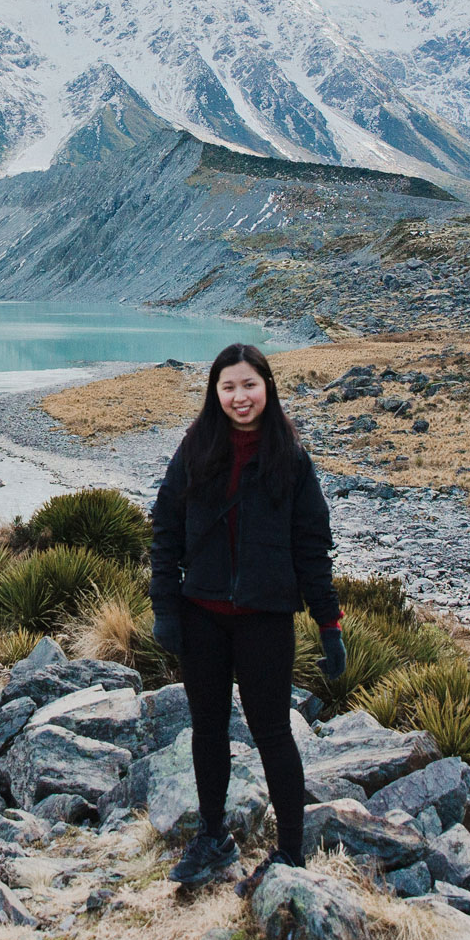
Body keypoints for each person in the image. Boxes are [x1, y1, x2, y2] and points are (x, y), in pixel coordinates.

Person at [148, 342, 345, 886]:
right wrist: (166, 609)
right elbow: (164, 532)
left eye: (249, 385)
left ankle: (290, 854)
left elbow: (312, 547)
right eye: (229, 387)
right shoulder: (195, 448)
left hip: (265, 618)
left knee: (273, 733)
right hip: (202, 618)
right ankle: (213, 837)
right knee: (206, 730)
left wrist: (329, 625)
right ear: (216, 392)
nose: (240, 397)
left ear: (267, 387)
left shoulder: (291, 458)